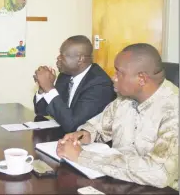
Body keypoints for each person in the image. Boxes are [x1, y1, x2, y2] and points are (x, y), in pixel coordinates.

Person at [56, 43, 178, 190]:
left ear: (142, 79)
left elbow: (158, 172)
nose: (113, 78)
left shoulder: (173, 110)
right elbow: (99, 126)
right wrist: (84, 134)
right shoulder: (123, 100)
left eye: (118, 73)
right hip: (121, 185)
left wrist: (82, 157)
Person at [34, 35, 115, 133]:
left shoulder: (100, 85)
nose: (58, 57)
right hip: (64, 138)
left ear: (80, 59)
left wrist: (49, 88)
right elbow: (41, 111)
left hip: (89, 144)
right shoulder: (65, 75)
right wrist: (43, 88)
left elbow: (73, 125)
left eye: (62, 55)